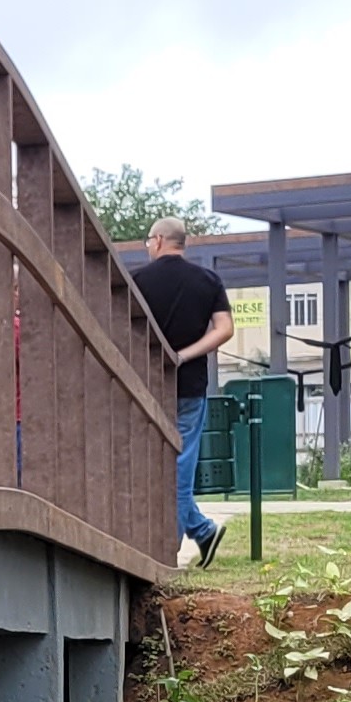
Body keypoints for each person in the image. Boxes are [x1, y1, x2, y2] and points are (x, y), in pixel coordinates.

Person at [130, 220, 235, 565]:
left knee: (159, 470)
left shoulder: (138, 281)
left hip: (146, 387)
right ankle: (200, 532)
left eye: (149, 241)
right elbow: (224, 329)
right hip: (190, 387)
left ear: (159, 240)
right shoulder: (208, 281)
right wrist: (187, 354)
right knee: (180, 466)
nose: (148, 246)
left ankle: (168, 553)